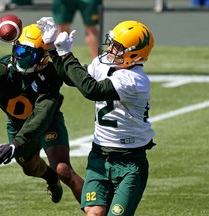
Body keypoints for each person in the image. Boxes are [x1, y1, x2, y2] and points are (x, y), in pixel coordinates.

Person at [0, 23, 84, 203]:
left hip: (48, 123)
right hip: (17, 124)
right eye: (21, 52)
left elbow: (42, 115)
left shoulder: (51, 77)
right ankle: (50, 177)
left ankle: (96, 210)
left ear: (44, 58)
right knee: (29, 168)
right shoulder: (4, 66)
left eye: (30, 56)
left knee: (64, 170)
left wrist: (16, 143)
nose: (22, 59)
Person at [37, 17, 156, 215]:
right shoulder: (103, 65)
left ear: (134, 54)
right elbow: (72, 78)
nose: (110, 50)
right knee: (94, 212)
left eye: (118, 47)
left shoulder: (135, 80)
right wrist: (52, 48)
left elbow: (91, 90)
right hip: (99, 154)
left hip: (129, 160)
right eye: (112, 44)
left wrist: (67, 55)